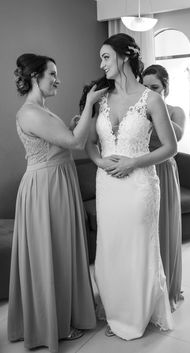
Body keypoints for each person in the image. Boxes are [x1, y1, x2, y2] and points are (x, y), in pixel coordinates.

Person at [8, 53, 107, 353]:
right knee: (51, 252)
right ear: (35, 77)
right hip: (45, 188)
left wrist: (77, 122)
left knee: (63, 250)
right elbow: (76, 143)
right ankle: (54, 324)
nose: (57, 80)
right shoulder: (29, 112)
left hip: (58, 182)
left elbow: (65, 139)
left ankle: (67, 313)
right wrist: (89, 103)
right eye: (52, 74)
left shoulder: (43, 110)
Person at [85, 33, 177, 340]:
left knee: (136, 248)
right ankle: (115, 310)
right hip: (107, 185)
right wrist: (98, 162)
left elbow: (170, 147)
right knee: (110, 248)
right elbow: (90, 143)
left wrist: (133, 162)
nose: (101, 64)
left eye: (106, 57)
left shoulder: (152, 99)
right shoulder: (100, 97)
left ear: (124, 56)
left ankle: (135, 315)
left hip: (139, 185)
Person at [142, 64, 186, 311]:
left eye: (155, 87)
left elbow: (176, 136)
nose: (149, 92)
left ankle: (166, 289)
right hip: (142, 173)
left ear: (166, 88)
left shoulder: (175, 111)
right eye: (145, 87)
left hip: (164, 173)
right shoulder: (137, 111)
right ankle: (145, 290)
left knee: (164, 229)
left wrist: (156, 113)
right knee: (145, 233)